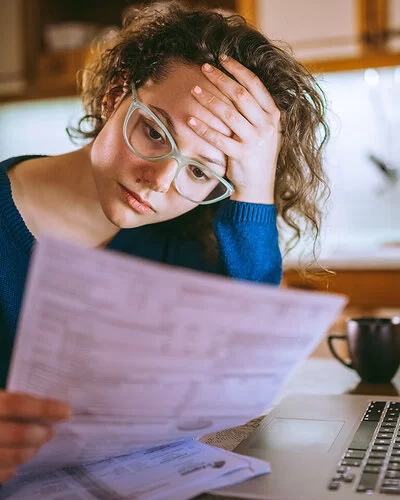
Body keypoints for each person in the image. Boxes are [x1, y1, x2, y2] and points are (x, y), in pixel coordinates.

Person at [0, 1, 329, 482]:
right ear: (117, 94)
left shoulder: (185, 244)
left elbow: (244, 371)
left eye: (199, 171)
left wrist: (255, 189)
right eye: (154, 132)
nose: (158, 182)